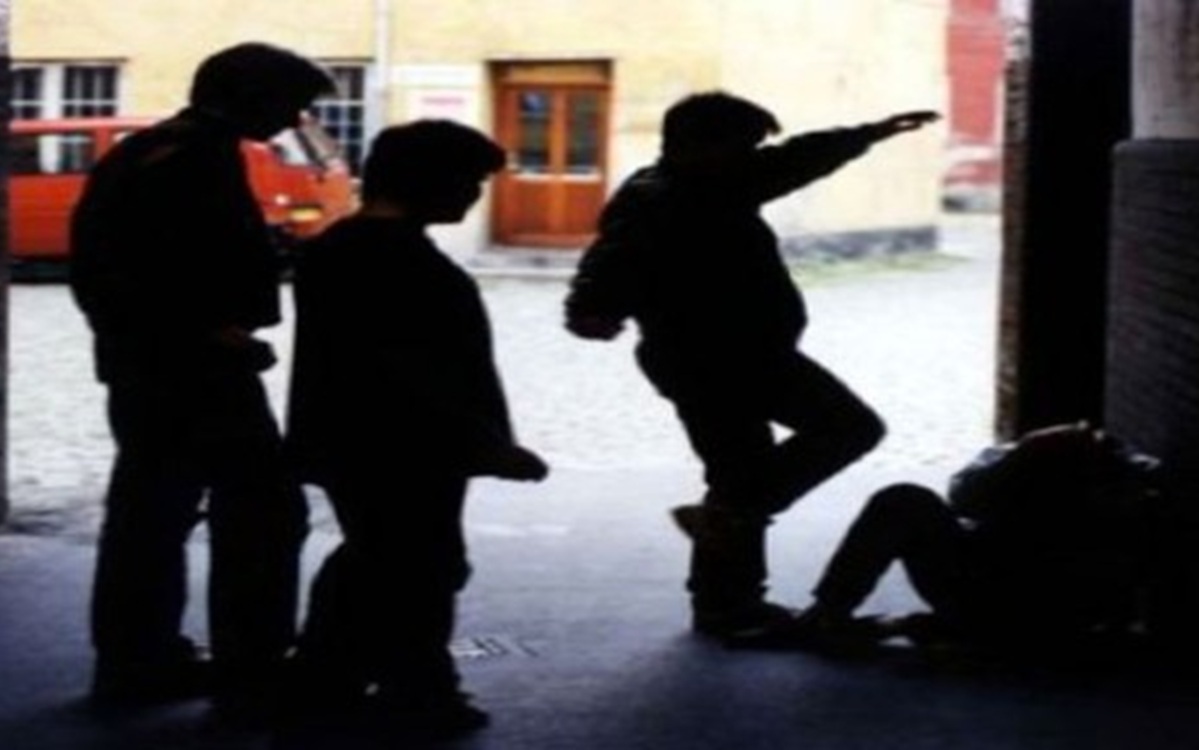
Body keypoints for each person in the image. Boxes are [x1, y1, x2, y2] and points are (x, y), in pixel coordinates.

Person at [564, 91, 939, 639]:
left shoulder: (712, 182)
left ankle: (727, 604)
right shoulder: (663, 200)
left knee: (739, 472)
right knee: (849, 428)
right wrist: (591, 308)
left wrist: (869, 133)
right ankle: (730, 543)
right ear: (698, 145)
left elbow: (793, 158)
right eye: (742, 146)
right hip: (714, 359)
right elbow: (610, 260)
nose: (753, 156)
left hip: (734, 355)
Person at [68, 43, 334, 714]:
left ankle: (138, 660)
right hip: (191, 370)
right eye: (289, 103)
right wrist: (210, 333)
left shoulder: (162, 150)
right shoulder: (190, 159)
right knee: (262, 515)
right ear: (248, 95)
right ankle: (250, 667)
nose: (292, 118)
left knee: (151, 515)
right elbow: (141, 271)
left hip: (158, 366)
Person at [284, 120, 549, 737]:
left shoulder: (341, 248)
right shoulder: (399, 261)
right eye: (470, 181)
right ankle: (414, 692)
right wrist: (487, 445)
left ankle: (328, 681)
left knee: (376, 560)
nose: (475, 195)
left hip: (362, 442)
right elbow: (413, 375)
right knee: (419, 569)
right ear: (431, 181)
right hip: (404, 448)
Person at [739, 423, 1160, 658]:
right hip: (990, 587)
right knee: (904, 500)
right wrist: (1025, 456)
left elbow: (1123, 564)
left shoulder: (1128, 481)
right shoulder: (1025, 463)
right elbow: (964, 497)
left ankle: (973, 635)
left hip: (1046, 610)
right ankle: (828, 614)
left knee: (905, 503)